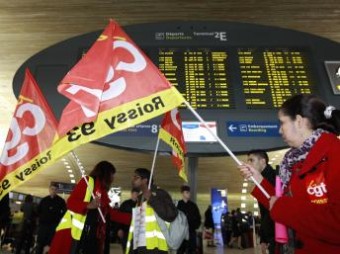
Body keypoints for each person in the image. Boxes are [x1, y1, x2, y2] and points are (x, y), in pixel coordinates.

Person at [239, 94, 340, 253]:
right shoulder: (293, 162)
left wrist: (283, 208)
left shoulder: (334, 154)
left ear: (299, 121)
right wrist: (258, 179)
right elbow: (280, 203)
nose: (280, 130)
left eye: (282, 123)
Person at [49, 160, 131, 254]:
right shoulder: (87, 182)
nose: (113, 178)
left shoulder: (102, 192)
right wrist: (88, 205)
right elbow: (71, 203)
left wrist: (134, 218)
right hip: (75, 235)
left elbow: (111, 213)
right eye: (112, 174)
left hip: (91, 237)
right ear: (105, 173)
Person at [126, 167, 178, 254]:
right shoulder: (140, 198)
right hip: (141, 247)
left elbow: (171, 214)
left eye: (136, 177)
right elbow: (137, 226)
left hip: (156, 248)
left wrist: (151, 198)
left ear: (145, 180)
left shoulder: (160, 193)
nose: (133, 179)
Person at [247, 149, 276, 254]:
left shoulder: (275, 177)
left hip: (278, 232)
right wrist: (263, 238)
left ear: (263, 161)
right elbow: (264, 212)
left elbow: (273, 208)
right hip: (271, 233)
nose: (249, 164)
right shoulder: (261, 180)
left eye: (252, 160)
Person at [36, 183, 66, 254]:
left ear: (57, 190)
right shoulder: (44, 200)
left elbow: (65, 212)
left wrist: (59, 219)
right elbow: (38, 211)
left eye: (55, 189)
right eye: (52, 189)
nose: (53, 191)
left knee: (50, 245)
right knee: (40, 244)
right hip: (43, 226)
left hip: (53, 226)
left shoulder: (61, 201)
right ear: (49, 189)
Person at [176, 185, 201, 254]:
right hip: (180, 233)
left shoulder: (193, 205)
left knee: (191, 250)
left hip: (191, 231)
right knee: (180, 250)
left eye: (189, 192)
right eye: (187, 192)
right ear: (182, 193)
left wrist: (195, 226)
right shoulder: (178, 205)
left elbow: (198, 217)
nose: (189, 194)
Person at [117, 188, 139, 252]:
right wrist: (119, 229)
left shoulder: (140, 204)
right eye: (134, 194)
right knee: (126, 248)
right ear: (131, 194)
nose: (135, 196)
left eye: (137, 194)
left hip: (136, 231)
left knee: (135, 249)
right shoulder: (125, 204)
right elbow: (119, 217)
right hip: (126, 230)